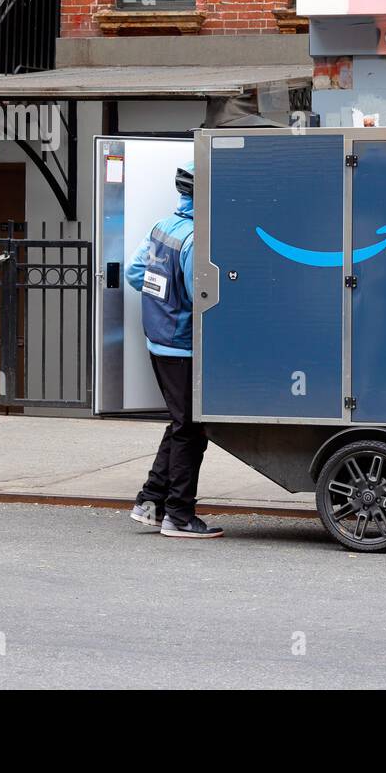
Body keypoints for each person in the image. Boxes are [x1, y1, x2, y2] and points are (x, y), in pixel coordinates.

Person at [125, 161, 223, 539]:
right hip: (181, 346)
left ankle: (149, 503)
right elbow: (203, 298)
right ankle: (179, 516)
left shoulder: (163, 228)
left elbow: (137, 275)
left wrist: (164, 304)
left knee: (182, 424)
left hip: (158, 339)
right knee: (191, 430)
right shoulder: (197, 238)